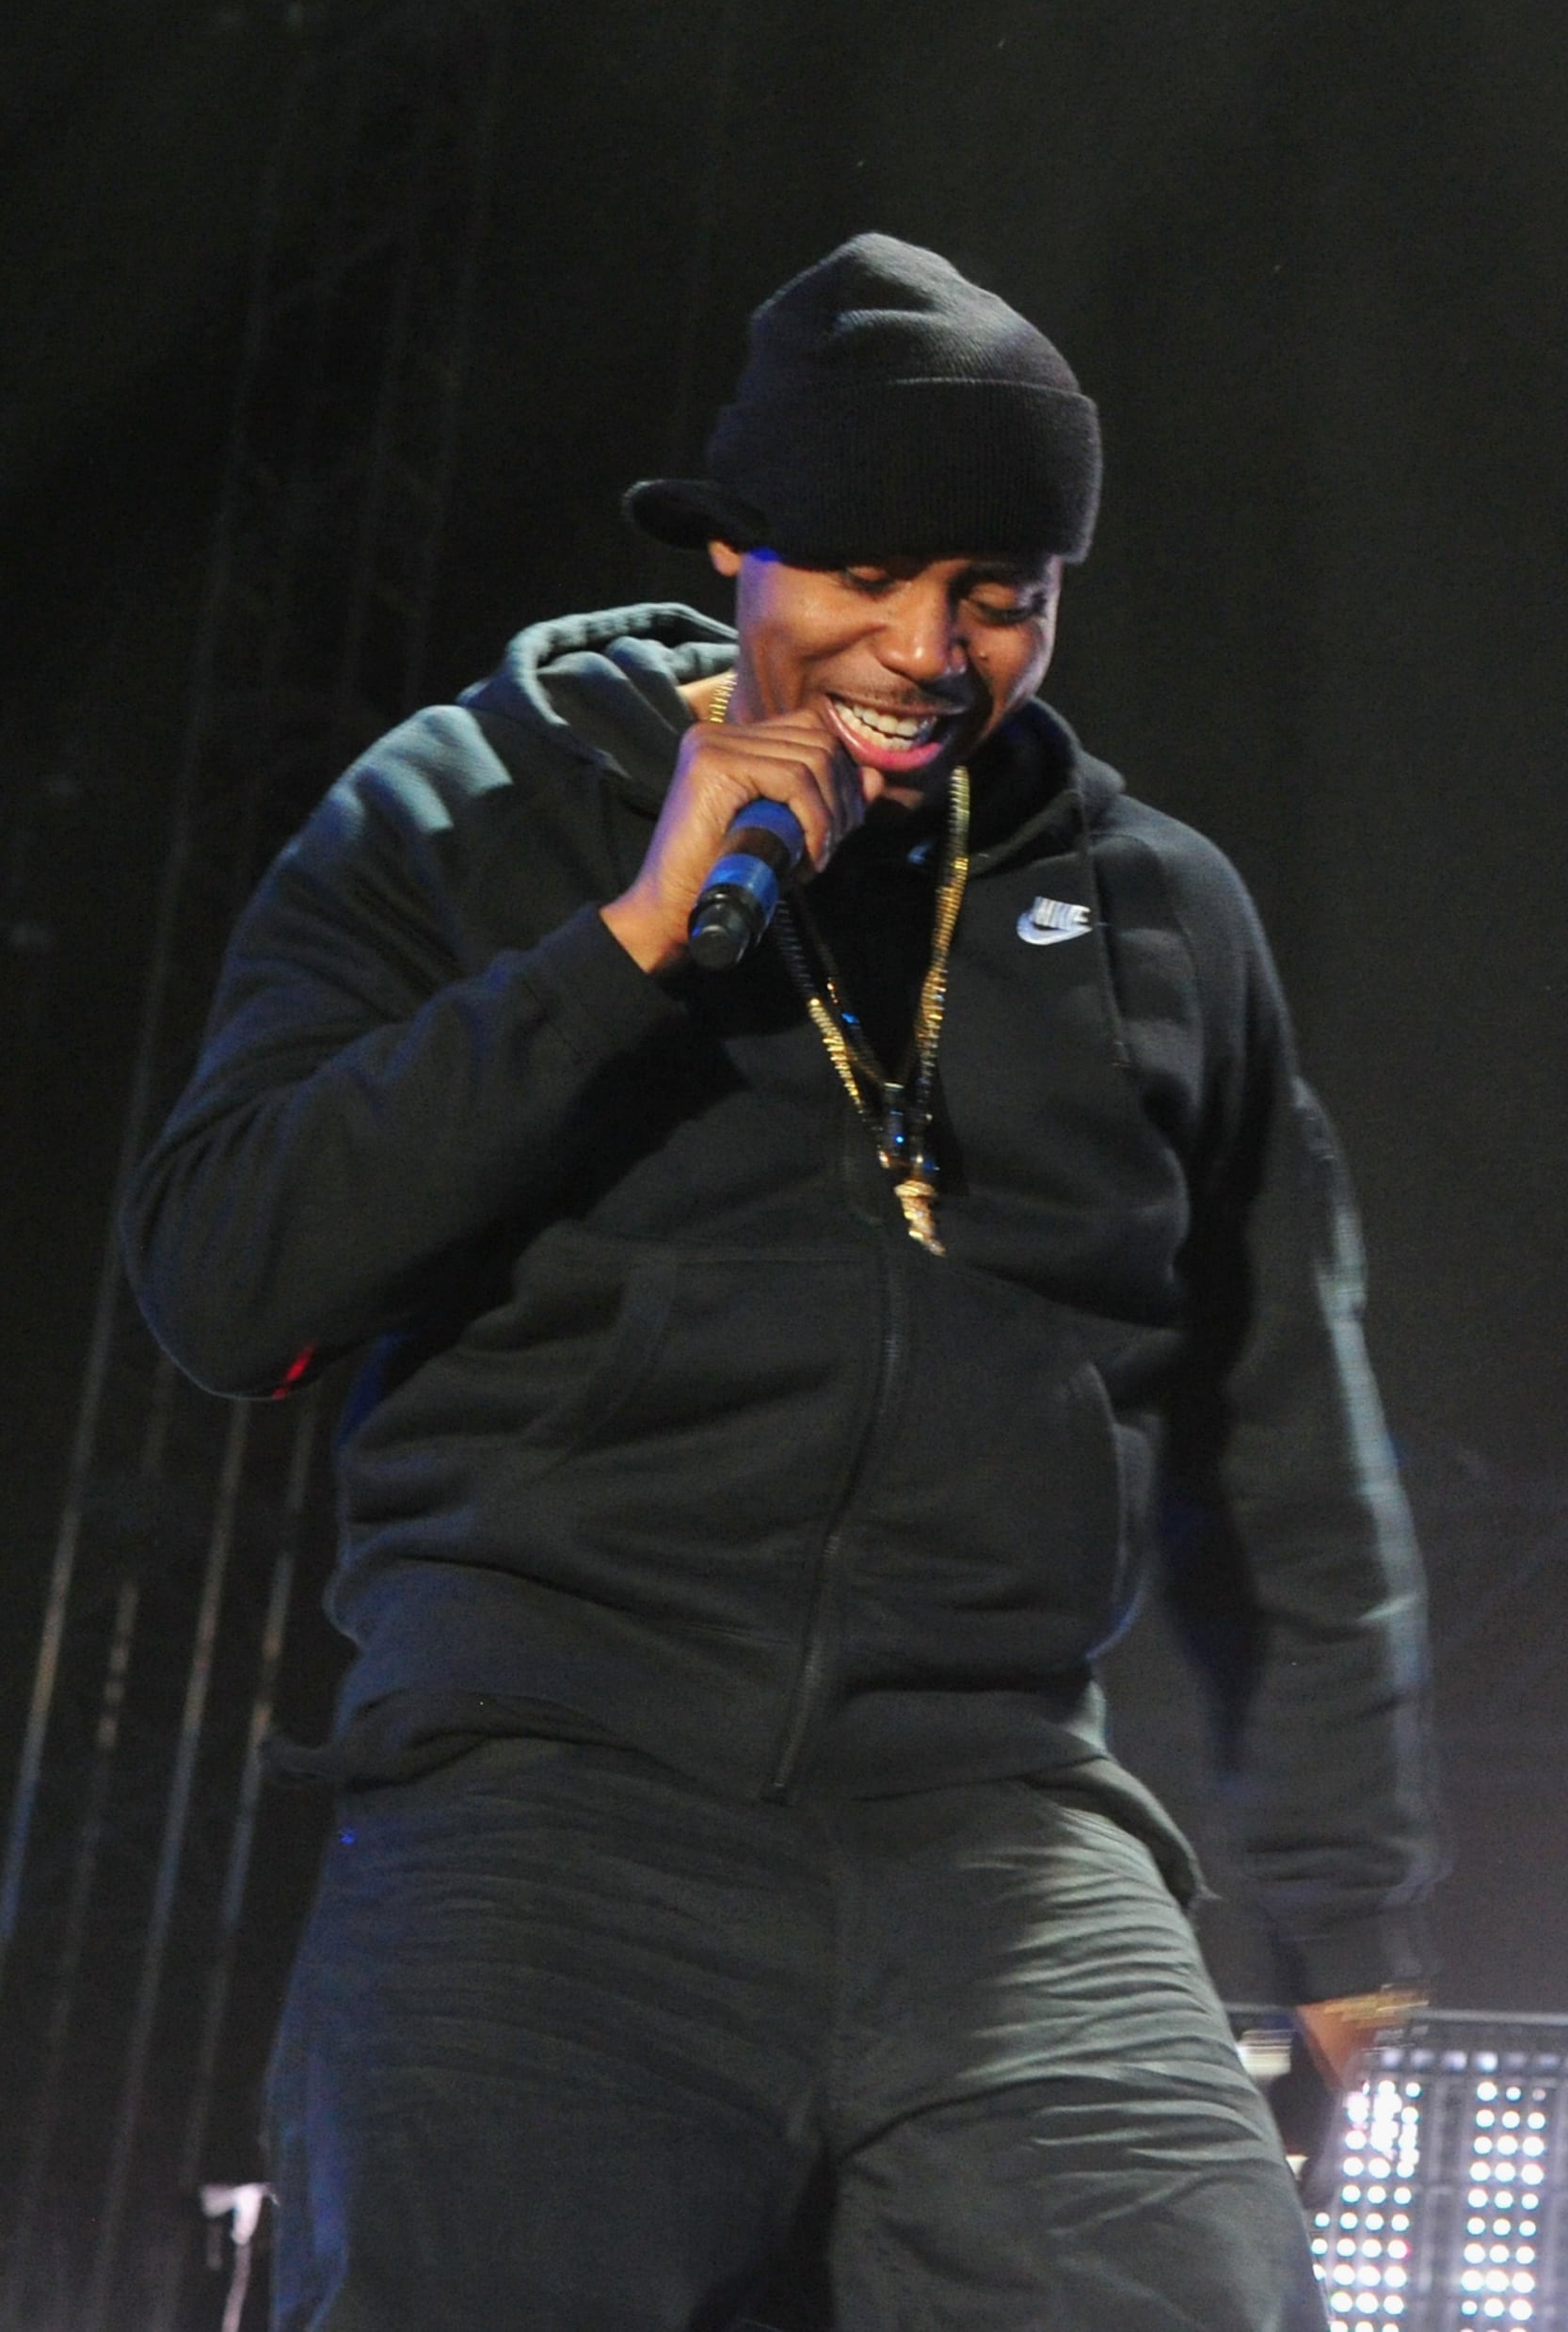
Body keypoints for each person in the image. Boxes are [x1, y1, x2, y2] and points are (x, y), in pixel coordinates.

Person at [123, 233, 1440, 2328]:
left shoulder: (1157, 909)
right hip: (548, 1793)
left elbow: (1283, 1413)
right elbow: (221, 1275)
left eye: (997, 591)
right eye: (863, 578)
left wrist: (1342, 1887)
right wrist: (628, 943)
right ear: (736, 546)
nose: (928, 649)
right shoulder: (467, 809)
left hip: (999, 1825)